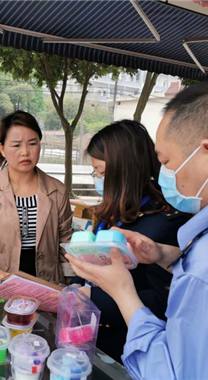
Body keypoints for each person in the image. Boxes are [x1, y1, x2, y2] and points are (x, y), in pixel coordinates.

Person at [67, 82, 208, 379]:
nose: (165, 174)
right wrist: (165, 255)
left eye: (167, 162)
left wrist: (120, 292)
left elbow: (171, 371)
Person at [70, 120, 190, 363]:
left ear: (125, 169)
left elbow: (165, 301)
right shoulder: (113, 212)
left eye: (102, 173)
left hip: (128, 348)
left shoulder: (166, 222)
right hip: (92, 338)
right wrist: (75, 284)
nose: (98, 180)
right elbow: (94, 258)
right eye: (96, 173)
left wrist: (94, 298)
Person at [0, 110, 73, 284]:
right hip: (1, 288)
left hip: (48, 289)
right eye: (16, 145)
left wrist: (68, 286)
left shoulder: (57, 190)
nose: (25, 152)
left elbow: (66, 244)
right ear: (2, 149)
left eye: (32, 143)